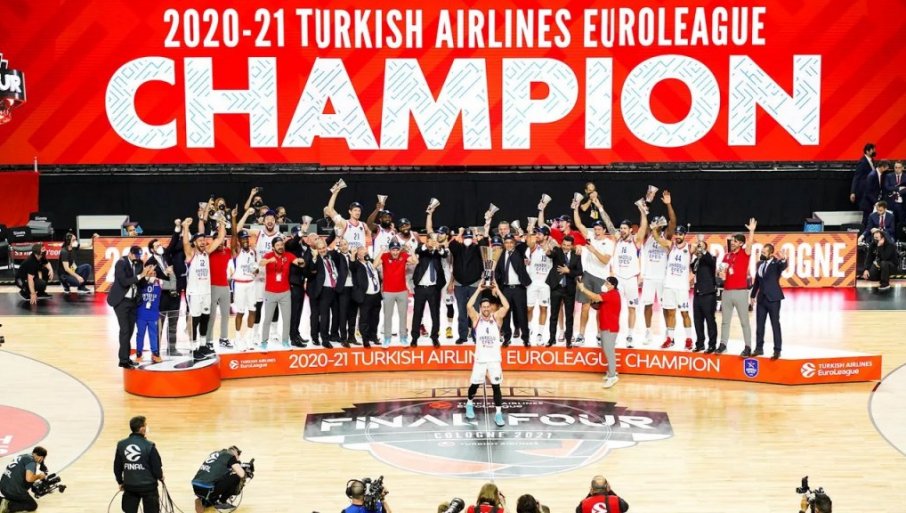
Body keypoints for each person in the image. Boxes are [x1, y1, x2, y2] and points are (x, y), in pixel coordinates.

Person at [464, 283, 510, 427]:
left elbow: (506, 306)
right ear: (480, 308)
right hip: (481, 359)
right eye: (483, 307)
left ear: (491, 308)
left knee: (496, 387)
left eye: (487, 306)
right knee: (475, 385)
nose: (485, 309)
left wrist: (498, 290)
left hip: (494, 359)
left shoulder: (496, 318)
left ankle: (498, 414)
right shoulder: (476, 319)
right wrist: (479, 289)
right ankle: (469, 403)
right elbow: (468, 306)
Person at [182, 217, 227, 360]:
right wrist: (185, 227)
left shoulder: (206, 252)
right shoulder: (191, 254)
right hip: (194, 293)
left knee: (204, 318)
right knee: (194, 320)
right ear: (194, 242)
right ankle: (193, 348)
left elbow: (220, 238)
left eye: (203, 240)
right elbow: (185, 243)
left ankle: (202, 345)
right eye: (199, 240)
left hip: (206, 292)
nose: (202, 242)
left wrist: (221, 223)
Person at [572, 211, 615, 346]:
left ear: (604, 230)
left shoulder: (609, 243)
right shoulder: (590, 237)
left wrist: (594, 251)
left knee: (600, 309)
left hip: (601, 278)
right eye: (595, 229)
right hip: (588, 275)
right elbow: (579, 224)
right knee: (585, 307)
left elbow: (605, 261)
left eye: (599, 229)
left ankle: (599, 335)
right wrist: (576, 208)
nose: (596, 232)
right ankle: (581, 335)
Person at [640, 192, 676, 344]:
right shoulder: (647, 235)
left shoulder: (666, 235)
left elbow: (673, 221)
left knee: (666, 306)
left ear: (662, 225)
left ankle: (668, 331)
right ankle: (648, 332)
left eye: (659, 222)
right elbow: (643, 221)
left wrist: (668, 204)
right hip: (649, 277)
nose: (656, 224)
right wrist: (645, 205)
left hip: (663, 277)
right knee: (647, 305)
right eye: (654, 222)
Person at [108, 246, 153, 368]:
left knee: (130, 331)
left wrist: (147, 276)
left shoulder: (139, 264)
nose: (137, 258)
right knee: (125, 330)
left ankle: (126, 358)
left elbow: (141, 283)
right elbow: (124, 281)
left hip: (133, 302)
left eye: (139, 256)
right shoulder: (121, 263)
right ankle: (123, 360)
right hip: (121, 301)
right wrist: (141, 275)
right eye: (135, 256)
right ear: (130, 253)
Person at [611, 202, 648, 348]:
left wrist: (642, 211)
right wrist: (600, 207)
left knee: (632, 308)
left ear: (630, 230)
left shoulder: (636, 241)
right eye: (621, 228)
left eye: (625, 228)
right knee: (615, 308)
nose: (622, 230)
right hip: (618, 279)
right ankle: (615, 334)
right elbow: (609, 225)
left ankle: (630, 335)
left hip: (631, 279)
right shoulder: (617, 240)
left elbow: (643, 227)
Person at [718, 218, 757, 356]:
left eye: (735, 241)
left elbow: (750, 244)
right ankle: (723, 344)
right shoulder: (726, 256)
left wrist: (751, 231)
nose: (732, 243)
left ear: (740, 243)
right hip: (727, 292)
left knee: (744, 321)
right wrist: (721, 273)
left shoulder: (745, 254)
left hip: (740, 292)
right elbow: (721, 272)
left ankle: (748, 347)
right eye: (732, 241)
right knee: (725, 321)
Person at [652, 225, 694, 350]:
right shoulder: (671, 245)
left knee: (685, 313)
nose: (678, 236)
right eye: (676, 234)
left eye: (680, 234)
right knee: (670, 313)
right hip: (669, 285)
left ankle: (689, 339)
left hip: (682, 287)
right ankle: (670, 339)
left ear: (684, 235)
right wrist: (654, 228)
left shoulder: (690, 247)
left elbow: (702, 248)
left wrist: (701, 245)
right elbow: (657, 238)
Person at [259, 237, 305, 350]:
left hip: (285, 293)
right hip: (270, 293)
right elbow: (261, 263)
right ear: (273, 247)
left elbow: (299, 263)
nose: (280, 247)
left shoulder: (288, 255)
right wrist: (269, 261)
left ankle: (285, 341)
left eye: (281, 244)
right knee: (267, 319)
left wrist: (301, 261)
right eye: (278, 245)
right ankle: (264, 342)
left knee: (286, 319)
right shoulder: (268, 255)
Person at [577, 276, 621, 388]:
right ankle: (611, 372)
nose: (605, 285)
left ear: (613, 285)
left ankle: (612, 377)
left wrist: (583, 289)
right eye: (605, 282)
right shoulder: (609, 294)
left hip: (610, 328)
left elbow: (596, 297)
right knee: (607, 350)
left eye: (607, 283)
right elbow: (597, 301)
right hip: (606, 327)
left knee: (609, 352)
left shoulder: (612, 294)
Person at [114, 416, 164, 513]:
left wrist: (120, 482)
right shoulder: (149, 445)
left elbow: (117, 467)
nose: (147, 427)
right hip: (149, 487)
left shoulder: (121, 445)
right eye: (145, 425)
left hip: (130, 486)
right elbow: (156, 467)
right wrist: (160, 477)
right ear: (142, 429)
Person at [305, 239, 346, 348]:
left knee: (335, 314)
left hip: (334, 289)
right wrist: (314, 258)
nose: (322, 250)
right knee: (324, 316)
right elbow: (310, 270)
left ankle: (333, 335)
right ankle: (324, 339)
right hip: (323, 290)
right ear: (316, 249)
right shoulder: (315, 258)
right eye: (320, 248)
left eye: (323, 248)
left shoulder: (330, 256)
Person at [375, 240, 416, 348]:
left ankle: (403, 338)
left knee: (403, 316)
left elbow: (415, 261)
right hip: (388, 291)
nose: (395, 252)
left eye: (397, 250)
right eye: (393, 250)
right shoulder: (385, 256)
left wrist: (411, 250)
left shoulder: (404, 255)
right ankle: (387, 339)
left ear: (400, 250)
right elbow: (374, 265)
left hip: (402, 291)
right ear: (390, 250)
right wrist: (381, 251)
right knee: (387, 316)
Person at [751, 243, 788, 360]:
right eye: (761, 252)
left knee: (775, 324)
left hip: (773, 299)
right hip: (761, 299)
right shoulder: (760, 264)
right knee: (759, 325)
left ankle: (777, 350)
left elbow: (783, 265)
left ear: (771, 253)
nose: (762, 254)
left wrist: (784, 259)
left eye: (764, 252)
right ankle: (759, 348)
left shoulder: (776, 264)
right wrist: (752, 295)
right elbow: (757, 281)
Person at [494, 234, 531, 347]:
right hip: (505, 289)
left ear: (514, 243)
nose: (509, 245)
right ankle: (507, 338)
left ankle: (526, 339)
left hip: (519, 289)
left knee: (522, 314)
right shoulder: (501, 255)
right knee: (505, 315)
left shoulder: (519, 252)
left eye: (511, 242)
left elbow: (525, 244)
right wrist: (495, 287)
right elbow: (498, 272)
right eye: (506, 243)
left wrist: (522, 233)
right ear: (504, 244)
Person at [411, 236, 448, 347]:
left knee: (435, 314)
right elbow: (418, 250)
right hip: (420, 288)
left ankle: (435, 337)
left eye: (433, 241)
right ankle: (414, 338)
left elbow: (444, 254)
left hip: (434, 289)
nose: (432, 243)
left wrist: (438, 247)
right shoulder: (422, 251)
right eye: (429, 241)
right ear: (426, 242)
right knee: (417, 314)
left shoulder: (438, 252)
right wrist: (426, 246)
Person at [449, 228, 484, 344]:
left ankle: (475, 335)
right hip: (459, 284)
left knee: (475, 311)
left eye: (469, 237)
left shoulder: (477, 248)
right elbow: (451, 245)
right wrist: (459, 234)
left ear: (472, 239)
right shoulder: (458, 248)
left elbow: (484, 247)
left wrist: (477, 236)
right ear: (463, 238)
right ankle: (462, 336)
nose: (467, 240)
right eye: (466, 237)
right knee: (462, 312)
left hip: (474, 284)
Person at [230, 215, 260, 350]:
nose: (245, 240)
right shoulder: (237, 251)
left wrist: (256, 270)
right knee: (240, 312)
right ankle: (237, 339)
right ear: (239, 241)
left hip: (251, 284)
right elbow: (233, 235)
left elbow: (255, 269)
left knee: (253, 310)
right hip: (240, 284)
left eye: (246, 238)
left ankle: (248, 338)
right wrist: (233, 218)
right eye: (242, 239)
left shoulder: (253, 252)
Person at [547, 234, 582, 347]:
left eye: (568, 245)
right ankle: (551, 339)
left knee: (569, 316)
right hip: (556, 288)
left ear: (572, 246)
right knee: (553, 315)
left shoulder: (576, 255)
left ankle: (568, 340)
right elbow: (550, 254)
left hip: (569, 289)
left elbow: (579, 271)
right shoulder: (557, 251)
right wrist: (548, 249)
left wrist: (568, 271)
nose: (566, 247)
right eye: (564, 245)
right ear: (561, 244)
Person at [146, 238, 180, 356]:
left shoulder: (167, 257)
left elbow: (173, 243)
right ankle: (156, 352)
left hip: (174, 297)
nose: (160, 247)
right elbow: (151, 281)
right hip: (161, 298)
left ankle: (172, 349)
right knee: (158, 326)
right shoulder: (149, 263)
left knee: (173, 325)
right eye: (157, 246)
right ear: (152, 250)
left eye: (160, 245)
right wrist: (165, 274)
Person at [191, 446, 246, 513]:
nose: (238, 459)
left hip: (196, 486)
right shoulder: (230, 456)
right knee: (236, 477)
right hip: (207, 489)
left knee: (222, 478)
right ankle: (221, 502)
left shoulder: (216, 453)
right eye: (238, 456)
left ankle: (203, 500)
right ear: (235, 452)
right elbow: (242, 474)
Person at [524, 228, 553, 345]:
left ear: (546, 236)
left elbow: (551, 253)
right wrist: (530, 231)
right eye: (536, 233)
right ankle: (529, 328)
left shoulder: (552, 246)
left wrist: (549, 243)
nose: (537, 235)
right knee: (529, 308)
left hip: (545, 284)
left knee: (543, 308)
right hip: (532, 283)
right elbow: (528, 242)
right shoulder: (533, 246)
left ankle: (540, 334)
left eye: (540, 233)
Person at [350, 246, 382, 348]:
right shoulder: (357, 265)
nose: (366, 254)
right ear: (358, 256)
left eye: (366, 252)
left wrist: (382, 251)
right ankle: (365, 339)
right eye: (363, 253)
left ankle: (374, 336)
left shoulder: (370, 262)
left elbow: (378, 262)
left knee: (375, 318)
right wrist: (352, 255)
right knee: (364, 319)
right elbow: (351, 266)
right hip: (365, 296)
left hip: (376, 295)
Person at [691, 237, 719, 353]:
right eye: (698, 246)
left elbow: (710, 260)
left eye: (701, 246)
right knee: (698, 320)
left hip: (708, 294)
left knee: (710, 320)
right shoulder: (696, 261)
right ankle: (700, 343)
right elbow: (692, 269)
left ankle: (712, 345)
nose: (698, 248)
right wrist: (693, 254)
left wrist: (702, 250)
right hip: (697, 294)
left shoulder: (710, 258)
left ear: (705, 249)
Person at [0, 446, 47, 513]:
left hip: (3, 488)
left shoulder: (22, 456)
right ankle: (8, 506)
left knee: (18, 496)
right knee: (32, 505)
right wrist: (39, 476)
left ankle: (2, 500)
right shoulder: (31, 462)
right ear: (41, 458)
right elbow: (29, 478)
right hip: (13, 490)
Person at [135, 268, 163, 363]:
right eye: (150, 273)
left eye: (154, 273)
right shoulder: (140, 284)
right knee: (140, 334)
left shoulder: (159, 283)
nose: (152, 275)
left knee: (153, 335)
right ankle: (139, 353)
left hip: (153, 315)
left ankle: (155, 353)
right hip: (141, 314)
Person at [860, 159, 888, 230]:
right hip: (868, 203)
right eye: (887, 168)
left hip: (875, 202)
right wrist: (876, 202)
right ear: (882, 167)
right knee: (866, 222)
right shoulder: (872, 175)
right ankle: (863, 235)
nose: (887, 170)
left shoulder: (881, 175)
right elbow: (868, 192)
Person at [850, 143, 876, 217]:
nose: (874, 151)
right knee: (865, 212)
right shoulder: (862, 162)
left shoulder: (872, 160)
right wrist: (853, 192)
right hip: (863, 192)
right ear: (867, 151)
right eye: (873, 150)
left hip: (870, 190)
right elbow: (856, 177)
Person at [884, 160, 905, 236]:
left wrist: (895, 188)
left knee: (902, 222)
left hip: (903, 204)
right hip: (891, 203)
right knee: (891, 222)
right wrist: (899, 188)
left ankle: (901, 238)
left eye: (899, 167)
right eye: (895, 167)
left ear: (902, 168)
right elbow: (887, 187)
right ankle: (892, 238)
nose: (897, 169)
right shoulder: (889, 176)